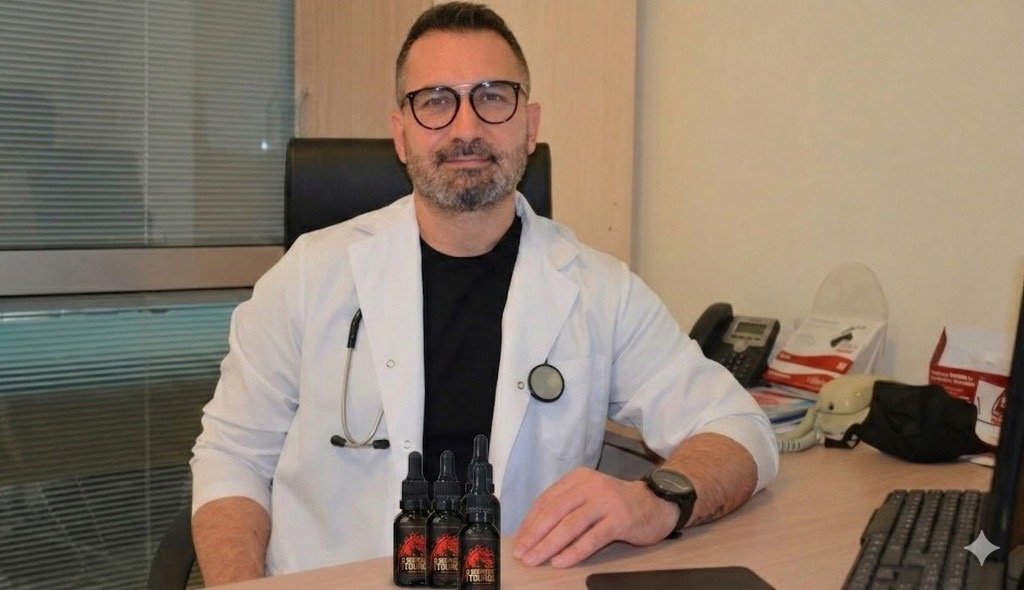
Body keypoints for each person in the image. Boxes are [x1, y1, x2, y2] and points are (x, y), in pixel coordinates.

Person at [190, 2, 778, 584]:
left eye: (493, 97)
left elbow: (739, 428)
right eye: (435, 101)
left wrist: (655, 499)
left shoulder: (600, 291)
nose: (466, 129)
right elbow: (232, 458)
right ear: (400, 134)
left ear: (531, 124)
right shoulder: (308, 275)